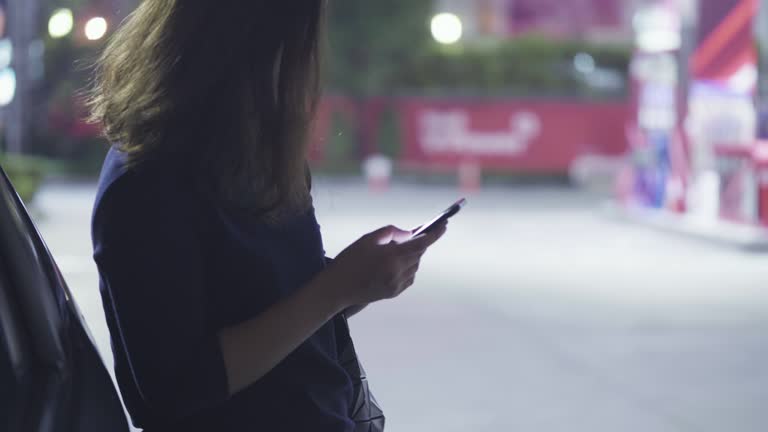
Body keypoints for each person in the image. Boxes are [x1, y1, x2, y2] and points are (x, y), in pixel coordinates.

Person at [87, 2, 447, 431]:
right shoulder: (147, 182)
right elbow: (174, 387)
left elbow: (272, 302)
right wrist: (334, 289)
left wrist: (359, 283)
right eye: (296, 50)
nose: (307, 73)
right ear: (244, 53)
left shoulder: (258, 156)